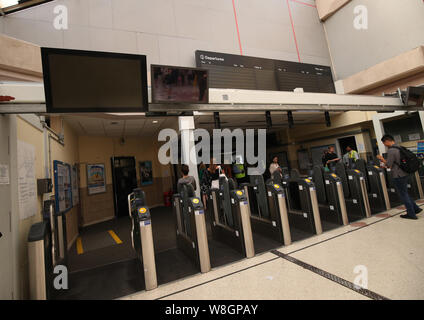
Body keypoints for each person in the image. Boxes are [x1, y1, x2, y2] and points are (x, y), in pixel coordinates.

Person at [377, 134, 422, 220]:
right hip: (404, 173)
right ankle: (416, 208)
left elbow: (388, 165)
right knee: (405, 192)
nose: (384, 145)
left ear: (387, 141)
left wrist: (382, 159)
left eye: (384, 143)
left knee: (403, 194)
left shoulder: (391, 150)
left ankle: (411, 214)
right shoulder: (400, 147)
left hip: (398, 175)